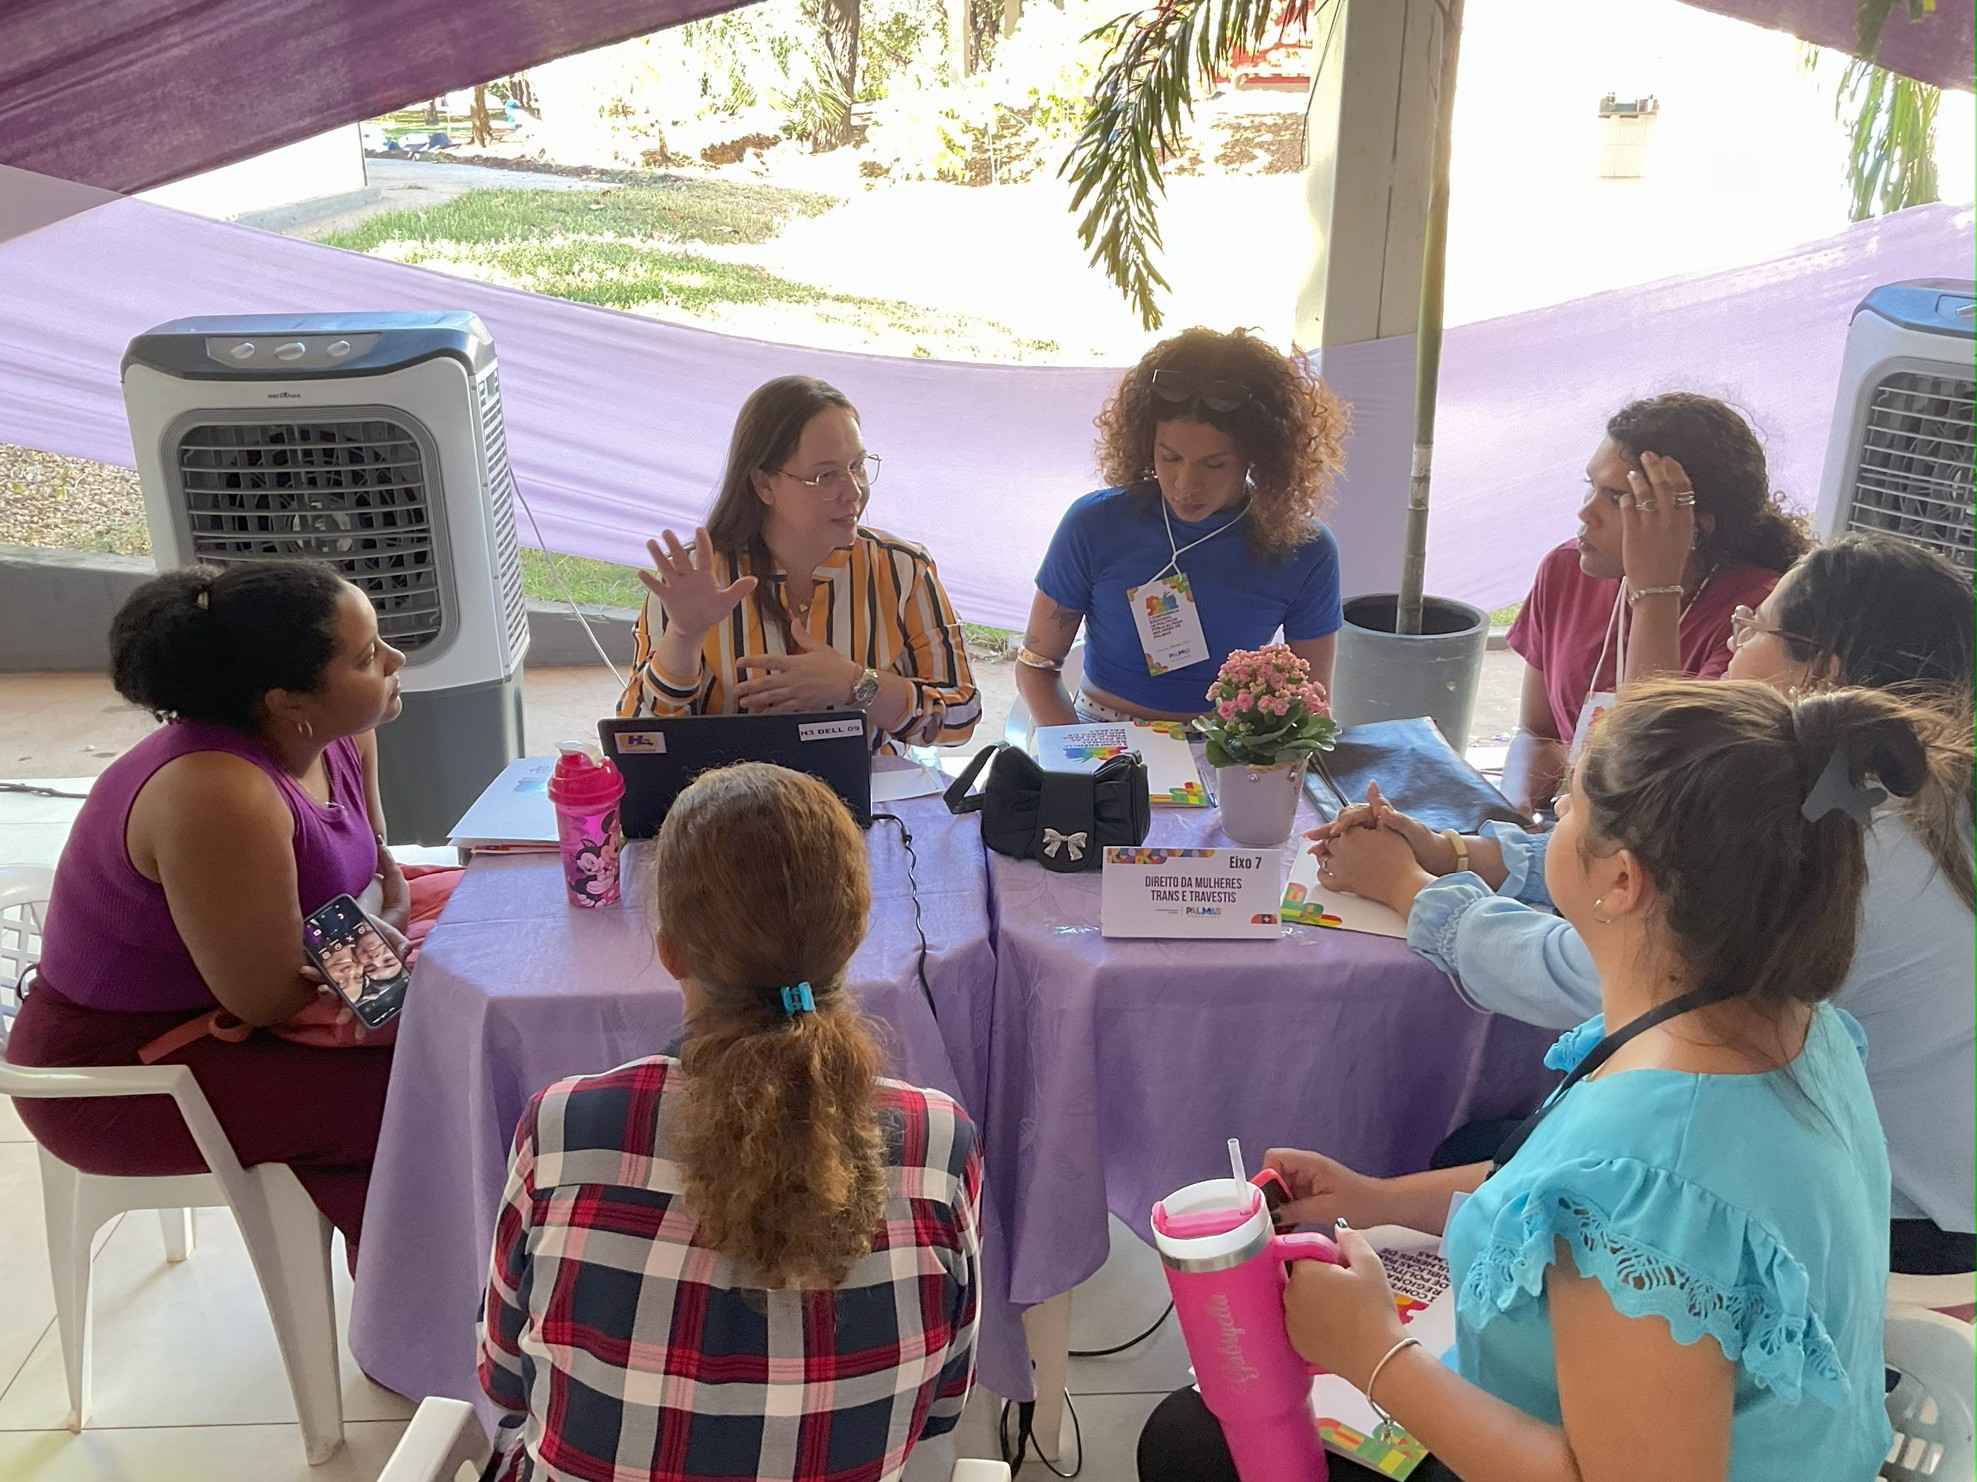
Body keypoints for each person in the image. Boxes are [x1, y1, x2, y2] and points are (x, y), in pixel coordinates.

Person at [1144, 679, 1936, 1482]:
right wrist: (1373, 1199)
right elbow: (1554, 1186)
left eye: (1571, 807)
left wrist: (1371, 1353)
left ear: (1621, 881)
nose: (1554, 819)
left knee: (1189, 1440)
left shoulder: (1648, 1182)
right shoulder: (1792, 1029)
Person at [1313, 533, 1975, 1273]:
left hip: (1889, 1221)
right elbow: (1641, 856)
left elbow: (1582, 972)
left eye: (1752, 627)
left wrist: (1409, 888)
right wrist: (1456, 853)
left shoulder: (1839, 845)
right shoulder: (1888, 805)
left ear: (1820, 672)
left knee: (1488, 1146)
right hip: (1875, 1181)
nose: (1732, 649)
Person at [478, 762, 982, 1482]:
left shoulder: (563, 1128)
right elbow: (941, 1404)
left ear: (669, 949)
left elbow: (504, 1376)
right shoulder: (936, 1144)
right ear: (855, 932)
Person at [9, 561, 409, 1255]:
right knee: (437, 1097)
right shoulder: (218, 795)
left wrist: (384, 934)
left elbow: (376, 868)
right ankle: (429, 1326)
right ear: (286, 700)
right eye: (368, 655)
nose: (395, 659)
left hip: (251, 998)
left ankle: (436, 1294)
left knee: (457, 1028)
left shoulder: (340, 731)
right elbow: (269, 996)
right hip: (124, 1077)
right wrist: (383, 942)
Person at [617, 376, 980, 751]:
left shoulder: (905, 568)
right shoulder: (695, 578)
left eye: (857, 465)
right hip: (728, 796)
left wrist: (857, 684)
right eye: (826, 476)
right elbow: (639, 739)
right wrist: (685, 635)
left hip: (870, 795)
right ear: (764, 485)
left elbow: (961, 716)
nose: (854, 491)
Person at [1017, 327, 1347, 726]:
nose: (1185, 484)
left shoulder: (1304, 549)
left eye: (1214, 464)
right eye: (1169, 457)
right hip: (1099, 735)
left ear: (1258, 456)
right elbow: (1036, 666)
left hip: (1229, 749)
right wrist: (1078, 760)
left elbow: (1309, 704)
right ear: (1145, 442)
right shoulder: (1095, 525)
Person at [1499, 393, 1810, 813]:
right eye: (1590, 487)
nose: (1585, 513)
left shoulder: (1755, 621)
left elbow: (1650, 767)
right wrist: (1511, 805)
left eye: (1615, 498)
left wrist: (1655, 589)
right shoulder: (1566, 569)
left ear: (1693, 528)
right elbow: (1539, 733)